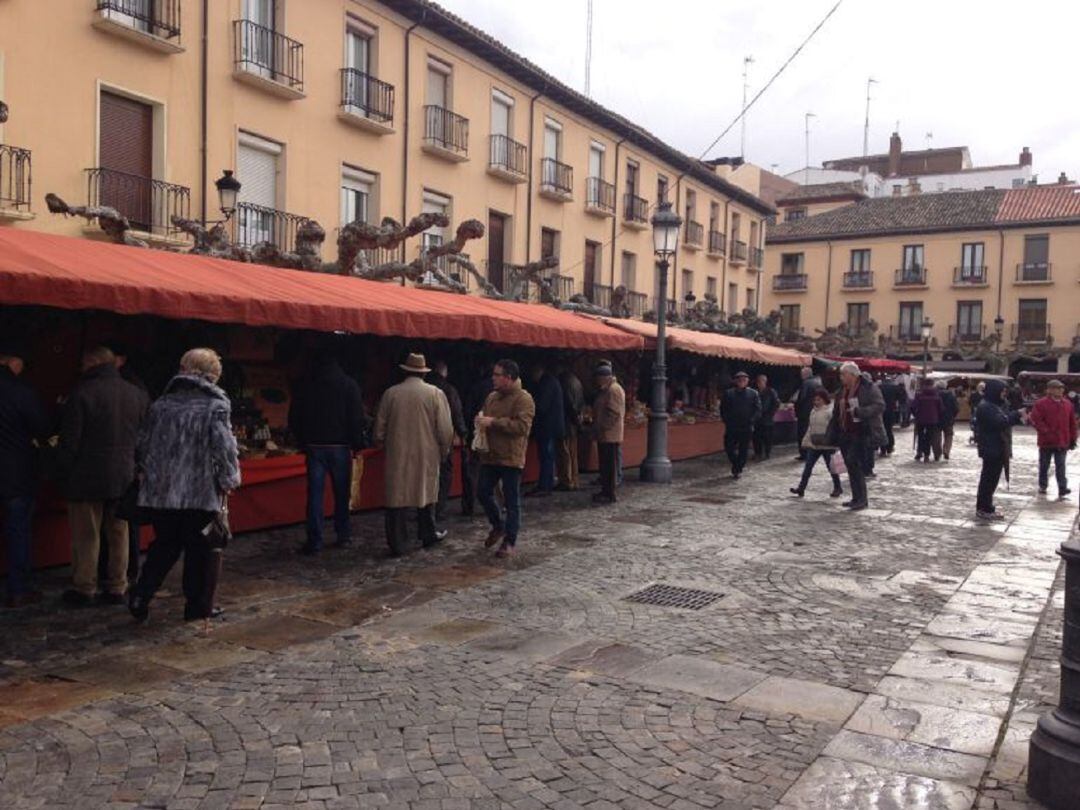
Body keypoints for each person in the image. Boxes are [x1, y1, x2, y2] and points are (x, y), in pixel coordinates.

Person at [129, 348, 241, 623]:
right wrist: (230, 479)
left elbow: (142, 445)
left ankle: (141, 594)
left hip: (163, 490)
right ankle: (197, 606)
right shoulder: (215, 406)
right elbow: (224, 448)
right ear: (212, 375)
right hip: (199, 490)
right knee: (199, 550)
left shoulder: (161, 405)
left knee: (165, 545)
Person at [59, 346, 149, 607]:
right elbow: (144, 438)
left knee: (86, 534)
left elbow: (70, 442)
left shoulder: (82, 393)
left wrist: (60, 471)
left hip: (86, 476)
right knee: (119, 532)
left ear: (92, 363)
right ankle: (117, 585)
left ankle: (85, 586)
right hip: (123, 474)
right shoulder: (136, 394)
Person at [374, 353, 453, 557]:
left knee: (397, 498)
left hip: (397, 453)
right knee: (425, 494)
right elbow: (445, 429)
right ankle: (427, 534)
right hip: (427, 453)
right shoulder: (435, 394)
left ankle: (398, 543)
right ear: (424, 373)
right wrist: (444, 451)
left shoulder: (391, 393)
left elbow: (379, 429)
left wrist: (382, 442)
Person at [288, 352, 367, 555]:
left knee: (315, 495)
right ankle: (343, 534)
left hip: (314, 446)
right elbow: (356, 417)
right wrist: (357, 443)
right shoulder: (349, 385)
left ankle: (315, 540)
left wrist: (302, 441)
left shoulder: (306, 386)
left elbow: (295, 416)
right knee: (342, 494)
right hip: (340, 446)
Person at [0, 346, 51, 608]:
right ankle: (19, 588)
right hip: (16, 472)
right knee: (18, 530)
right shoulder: (22, 393)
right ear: (12, 361)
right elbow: (42, 428)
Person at [475, 359, 535, 558]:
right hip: (490, 455)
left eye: (497, 374)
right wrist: (480, 422)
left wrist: (494, 422)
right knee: (482, 491)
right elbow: (485, 417)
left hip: (511, 456)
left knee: (511, 501)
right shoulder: (492, 397)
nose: (493, 378)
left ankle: (510, 541)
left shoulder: (524, 399)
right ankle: (498, 525)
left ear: (508, 378)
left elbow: (522, 427)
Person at [828, 362, 885, 511]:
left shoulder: (868, 388)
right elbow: (836, 411)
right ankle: (856, 497)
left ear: (853, 375)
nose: (841, 377)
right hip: (844, 432)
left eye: (843, 374)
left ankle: (862, 499)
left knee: (856, 464)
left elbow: (879, 405)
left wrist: (861, 411)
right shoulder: (842, 390)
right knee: (850, 466)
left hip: (862, 432)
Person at [974, 379, 1024, 520]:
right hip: (991, 447)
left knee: (991, 479)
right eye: (1002, 391)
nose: (1004, 394)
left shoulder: (994, 405)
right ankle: (984, 508)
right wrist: (1016, 415)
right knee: (988, 480)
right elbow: (1000, 422)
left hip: (997, 446)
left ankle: (986, 506)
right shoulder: (986, 407)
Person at [429, 360, 467, 522]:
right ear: (445, 373)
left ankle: (425, 509)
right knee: (444, 474)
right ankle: (439, 509)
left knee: (427, 476)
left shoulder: (425, 389)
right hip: (442, 439)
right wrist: (462, 432)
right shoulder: (449, 390)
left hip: (424, 439)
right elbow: (456, 414)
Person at [790, 389, 843, 498]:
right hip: (814, 444)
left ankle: (838, 487)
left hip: (827, 444)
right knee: (808, 467)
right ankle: (801, 488)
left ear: (824, 399)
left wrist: (834, 440)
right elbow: (811, 427)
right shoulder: (813, 411)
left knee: (832, 467)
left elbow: (834, 427)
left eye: (818, 400)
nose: (816, 402)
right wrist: (807, 440)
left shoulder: (829, 411)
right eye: (815, 400)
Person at [1029, 379, 1076, 499]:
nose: (1060, 390)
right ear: (1049, 390)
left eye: (1061, 388)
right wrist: (1046, 432)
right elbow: (1036, 420)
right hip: (1047, 441)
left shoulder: (1067, 404)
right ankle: (1043, 485)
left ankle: (1062, 487)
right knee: (1044, 464)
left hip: (1062, 441)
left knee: (1061, 465)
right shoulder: (1041, 404)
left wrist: (1072, 439)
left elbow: (1072, 423)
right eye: (1057, 388)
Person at [525, 363, 565, 497]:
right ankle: (546, 484)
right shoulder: (552, 381)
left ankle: (545, 485)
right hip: (551, 426)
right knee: (547, 456)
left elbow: (541, 406)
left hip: (548, 427)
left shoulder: (546, 384)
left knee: (546, 457)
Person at [460, 362, 493, 517]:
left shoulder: (477, 388)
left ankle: (470, 505)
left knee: (474, 470)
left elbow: (467, 410)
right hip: (495, 433)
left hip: (478, 432)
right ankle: (494, 503)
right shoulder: (500, 390)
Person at [591, 363, 625, 505]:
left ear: (604, 377)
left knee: (609, 466)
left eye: (598, 378)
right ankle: (605, 491)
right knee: (605, 465)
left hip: (609, 434)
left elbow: (613, 413)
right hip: (606, 434)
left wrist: (602, 426)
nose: (597, 381)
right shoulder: (608, 389)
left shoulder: (613, 390)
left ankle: (609, 493)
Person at [720, 371, 760, 479]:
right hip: (732, 425)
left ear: (747, 381)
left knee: (743, 449)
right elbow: (723, 409)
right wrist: (727, 420)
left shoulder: (753, 393)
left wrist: (752, 420)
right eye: (740, 380)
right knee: (729, 447)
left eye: (744, 380)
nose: (742, 382)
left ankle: (738, 468)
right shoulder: (729, 393)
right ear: (735, 381)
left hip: (746, 425)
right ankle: (736, 463)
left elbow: (757, 409)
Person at [555, 363, 585, 492]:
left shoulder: (563, 381)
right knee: (573, 453)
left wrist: (574, 419)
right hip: (573, 421)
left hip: (567, 422)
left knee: (565, 452)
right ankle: (574, 479)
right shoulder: (576, 380)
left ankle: (567, 480)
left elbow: (569, 404)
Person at [791, 366, 821, 461]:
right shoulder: (817, 383)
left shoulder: (806, 383)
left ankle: (804, 454)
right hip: (814, 411)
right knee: (810, 433)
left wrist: (795, 402)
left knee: (802, 433)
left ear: (805, 374)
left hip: (804, 412)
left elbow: (802, 398)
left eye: (801, 374)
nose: (800, 376)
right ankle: (810, 453)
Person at [910, 377, 944, 462]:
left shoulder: (919, 394)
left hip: (920, 419)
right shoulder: (936, 394)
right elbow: (941, 408)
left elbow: (913, 406)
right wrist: (938, 416)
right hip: (932, 419)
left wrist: (916, 414)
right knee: (929, 437)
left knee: (920, 436)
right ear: (932, 384)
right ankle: (926, 455)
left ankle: (919, 452)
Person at [752, 374, 780, 461]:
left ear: (765, 382)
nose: (760, 383)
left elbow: (776, 403)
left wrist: (771, 414)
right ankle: (758, 453)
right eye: (758, 381)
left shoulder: (771, 391)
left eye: (761, 381)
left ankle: (767, 453)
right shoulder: (754, 392)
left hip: (767, 419)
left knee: (767, 437)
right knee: (756, 437)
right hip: (757, 419)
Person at [878, 375, 905, 456]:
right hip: (891, 410)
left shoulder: (879, 387)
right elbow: (902, 398)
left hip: (880, 411)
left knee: (881, 429)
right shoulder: (895, 388)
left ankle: (883, 448)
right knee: (889, 429)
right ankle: (890, 447)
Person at [938, 382, 960, 460]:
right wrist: (953, 416)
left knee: (937, 435)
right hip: (949, 418)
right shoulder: (951, 395)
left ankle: (938, 451)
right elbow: (956, 408)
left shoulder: (936, 394)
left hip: (937, 418)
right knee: (949, 435)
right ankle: (946, 450)